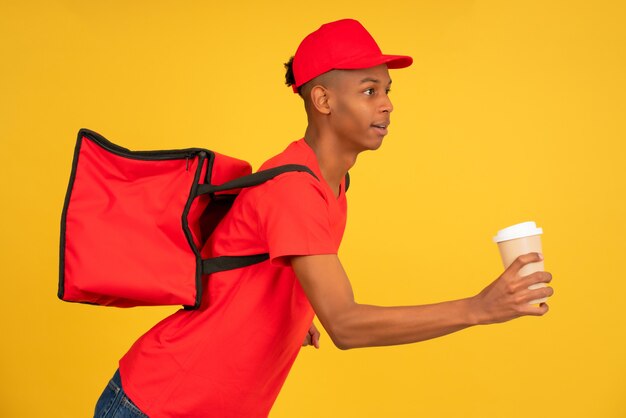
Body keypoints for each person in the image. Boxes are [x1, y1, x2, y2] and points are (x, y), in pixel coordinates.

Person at [94, 18, 554, 418]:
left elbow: (260, 263)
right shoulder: (295, 187)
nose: (388, 104)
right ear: (323, 100)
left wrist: (291, 313)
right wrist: (479, 308)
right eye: (369, 91)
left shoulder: (330, 183)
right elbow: (347, 325)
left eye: (387, 91)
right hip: (160, 404)